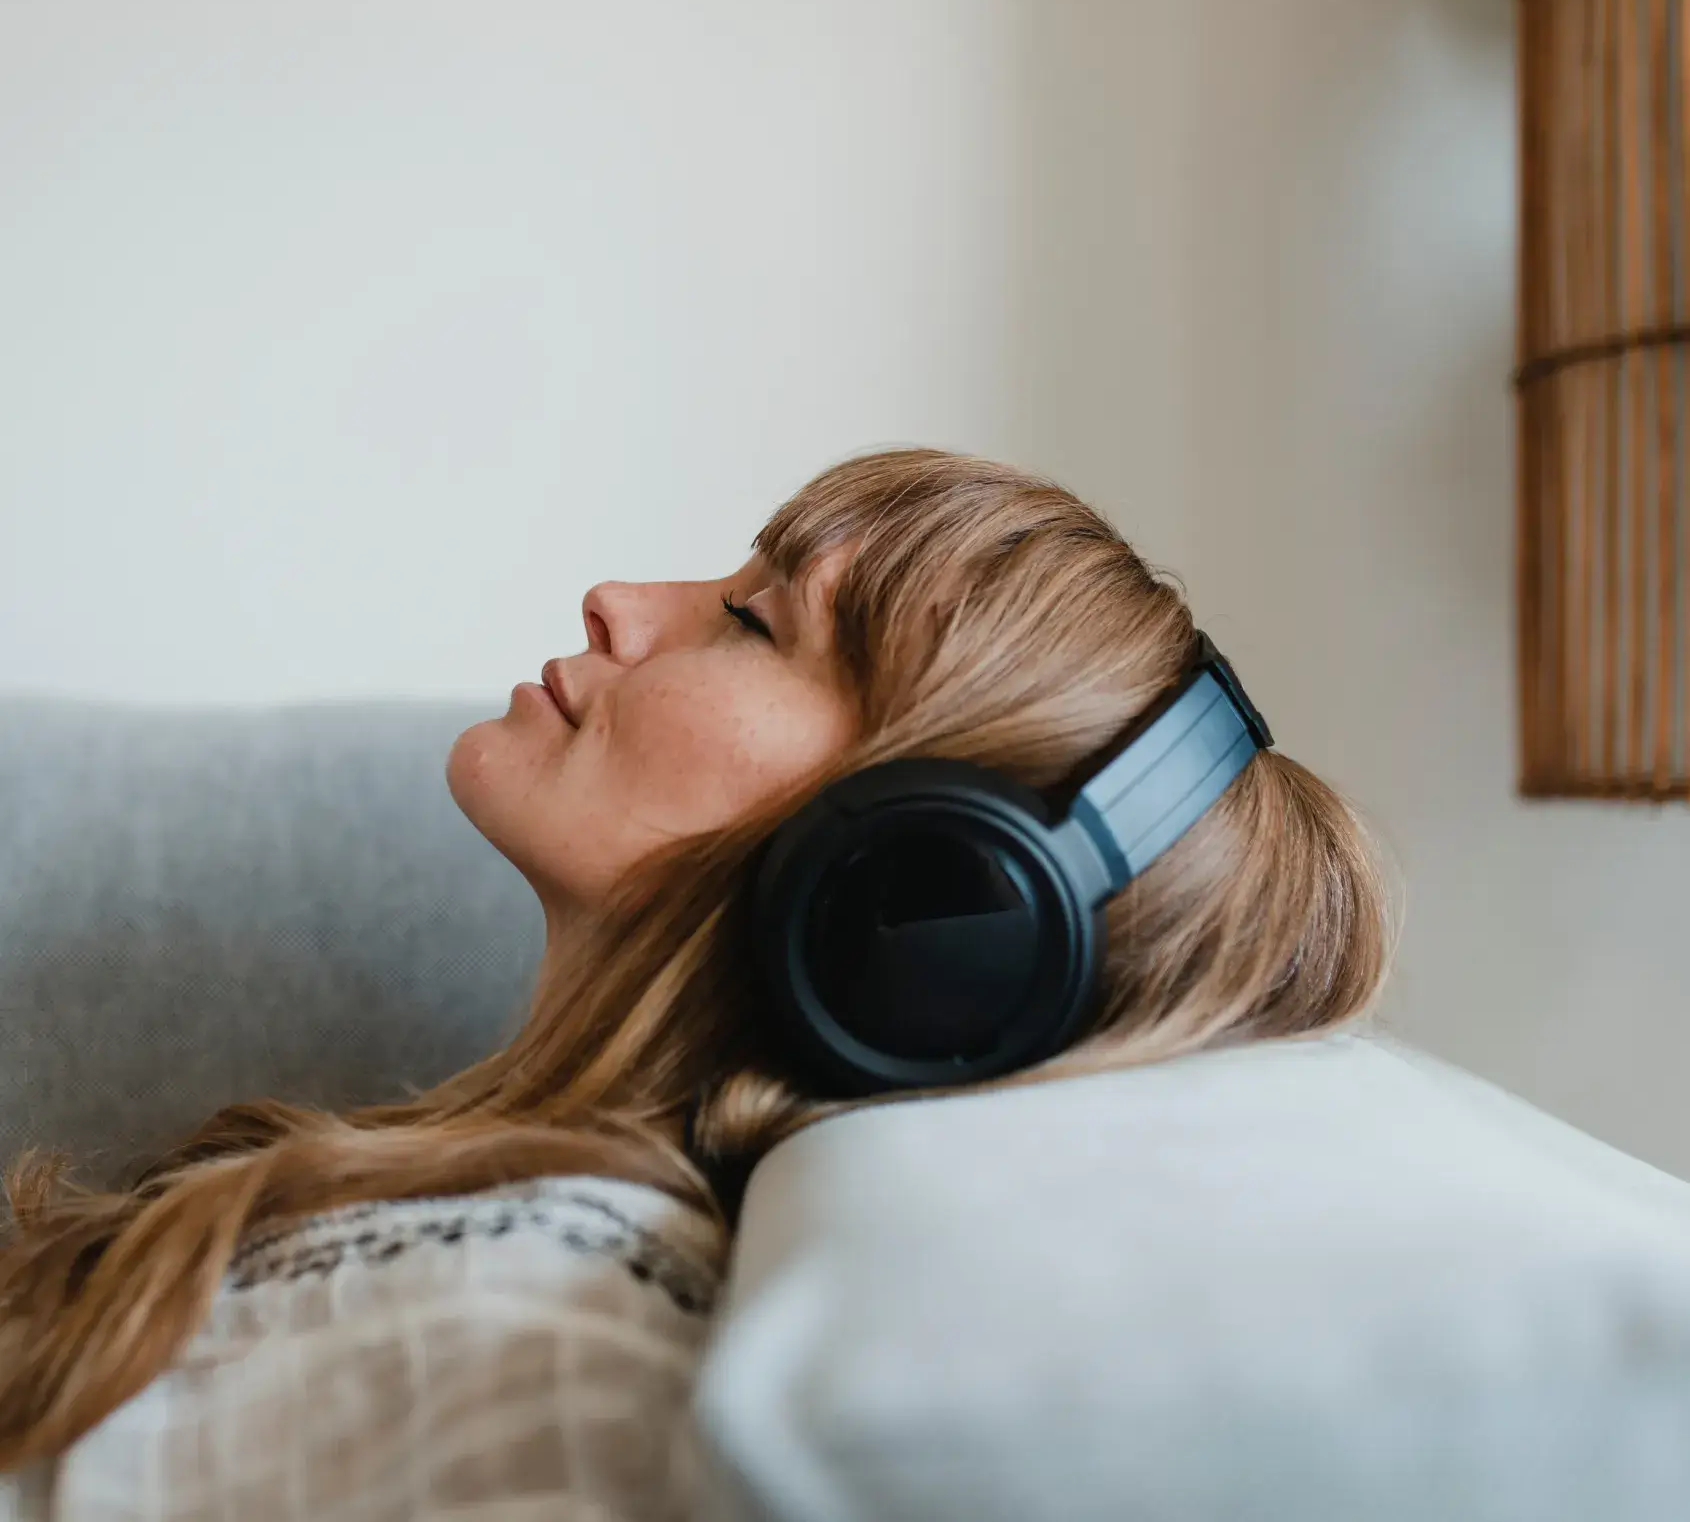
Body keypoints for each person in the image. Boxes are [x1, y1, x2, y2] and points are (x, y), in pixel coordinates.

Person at [0, 447, 1394, 1519]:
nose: (619, 600)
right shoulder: (470, 1229)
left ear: (918, 887)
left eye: (751, 617)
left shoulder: (566, 1358)